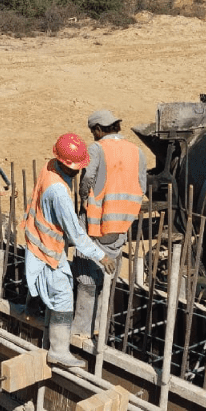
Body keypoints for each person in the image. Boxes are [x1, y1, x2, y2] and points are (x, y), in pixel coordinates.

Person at [20, 133, 117, 368]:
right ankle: (59, 351)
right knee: (63, 297)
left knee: (48, 288)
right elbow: (75, 233)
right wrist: (101, 256)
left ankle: (34, 308)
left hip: (37, 242)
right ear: (67, 165)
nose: (80, 171)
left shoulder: (50, 167)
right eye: (78, 167)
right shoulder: (59, 193)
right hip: (48, 250)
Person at [72, 109, 147, 343]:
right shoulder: (137, 151)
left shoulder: (97, 149)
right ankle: (100, 328)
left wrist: (84, 197)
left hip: (97, 221)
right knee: (109, 273)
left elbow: (87, 180)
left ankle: (82, 329)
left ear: (98, 129)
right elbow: (142, 185)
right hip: (122, 225)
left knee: (87, 275)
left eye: (92, 131)